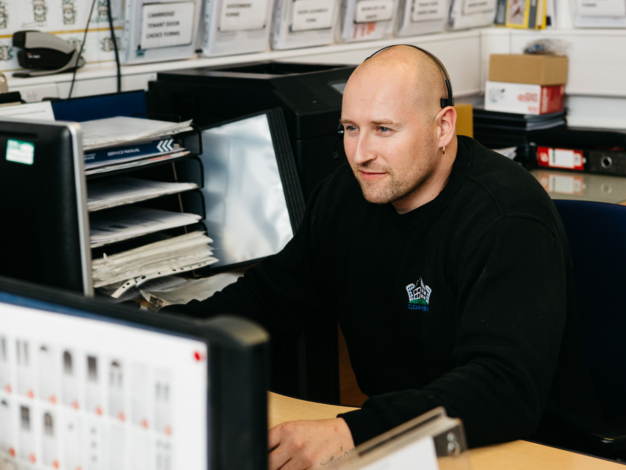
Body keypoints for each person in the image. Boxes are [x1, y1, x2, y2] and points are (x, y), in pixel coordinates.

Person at [165, 45, 603, 469]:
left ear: (443, 127)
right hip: (403, 444)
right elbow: (267, 299)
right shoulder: (345, 195)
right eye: (350, 128)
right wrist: (161, 337)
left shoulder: (506, 216)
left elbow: (502, 390)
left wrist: (351, 433)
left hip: (523, 450)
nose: (360, 154)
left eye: (384, 129)